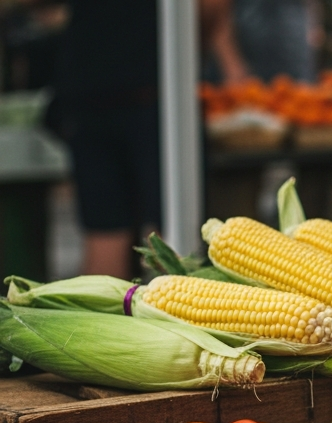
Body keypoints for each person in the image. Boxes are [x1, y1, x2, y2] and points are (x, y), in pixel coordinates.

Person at [48, 0, 248, 279]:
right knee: (175, 232)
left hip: (89, 90)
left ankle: (116, 316)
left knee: (105, 234)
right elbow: (210, 6)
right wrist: (225, 61)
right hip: (157, 93)